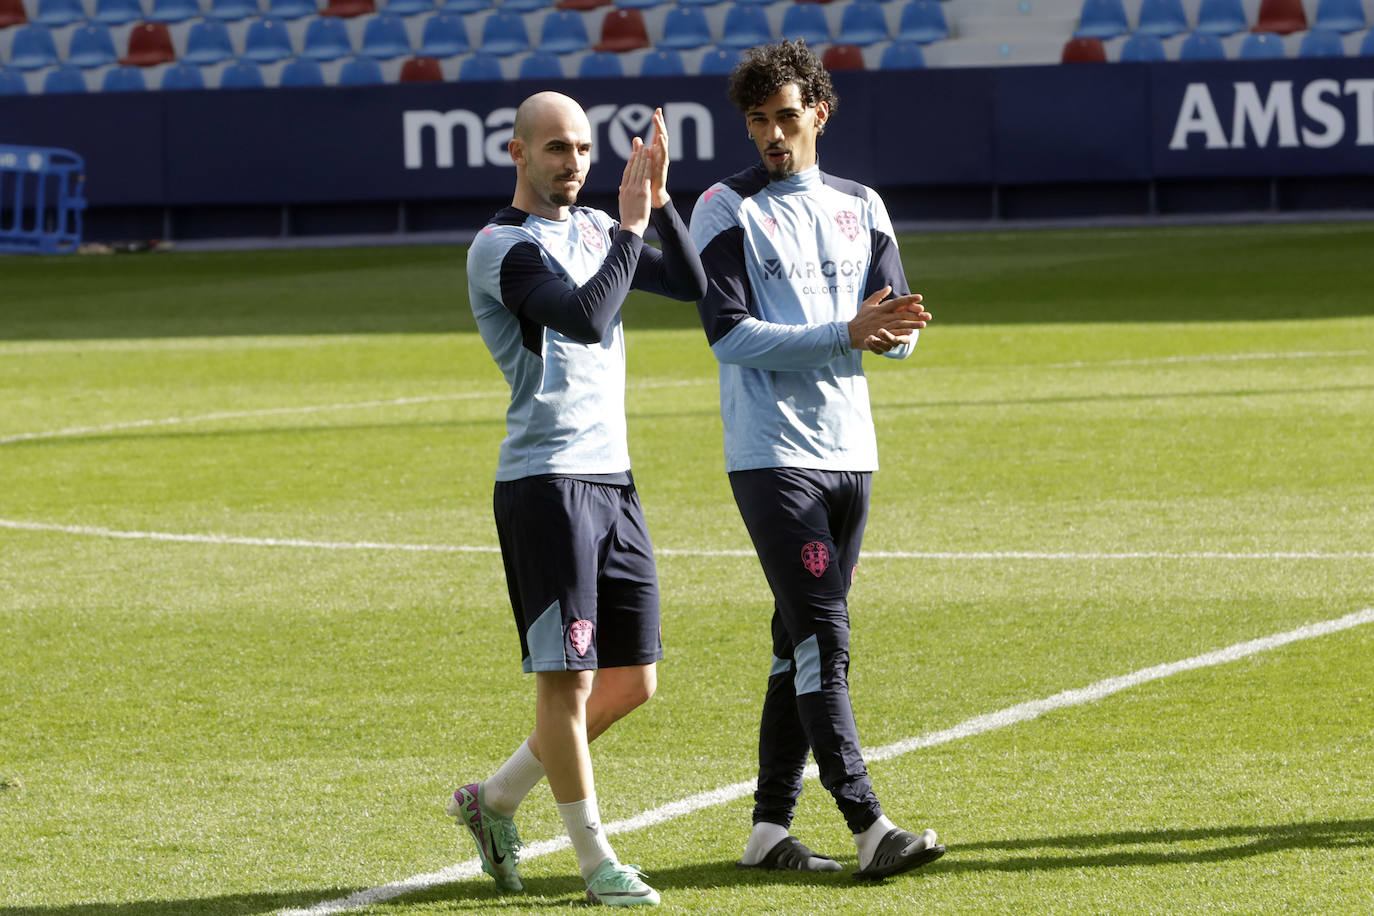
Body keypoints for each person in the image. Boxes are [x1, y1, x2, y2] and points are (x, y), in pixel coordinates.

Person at [688, 41, 945, 880]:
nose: (771, 133)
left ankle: (767, 829)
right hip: (773, 457)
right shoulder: (726, 208)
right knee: (826, 639)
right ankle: (869, 825)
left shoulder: (862, 204)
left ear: (818, 115)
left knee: (794, 644)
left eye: (786, 117)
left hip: (851, 450)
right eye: (758, 120)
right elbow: (729, 336)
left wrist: (893, 332)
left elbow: (891, 329)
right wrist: (847, 331)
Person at [456, 91, 706, 907]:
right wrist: (630, 227)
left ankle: (493, 801)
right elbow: (587, 317)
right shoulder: (502, 247)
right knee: (566, 683)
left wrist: (659, 202)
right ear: (519, 153)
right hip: (547, 485)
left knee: (632, 682)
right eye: (558, 149)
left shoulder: (602, 227)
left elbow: (696, 284)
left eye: (586, 151)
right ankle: (597, 862)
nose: (575, 164)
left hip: (613, 478)